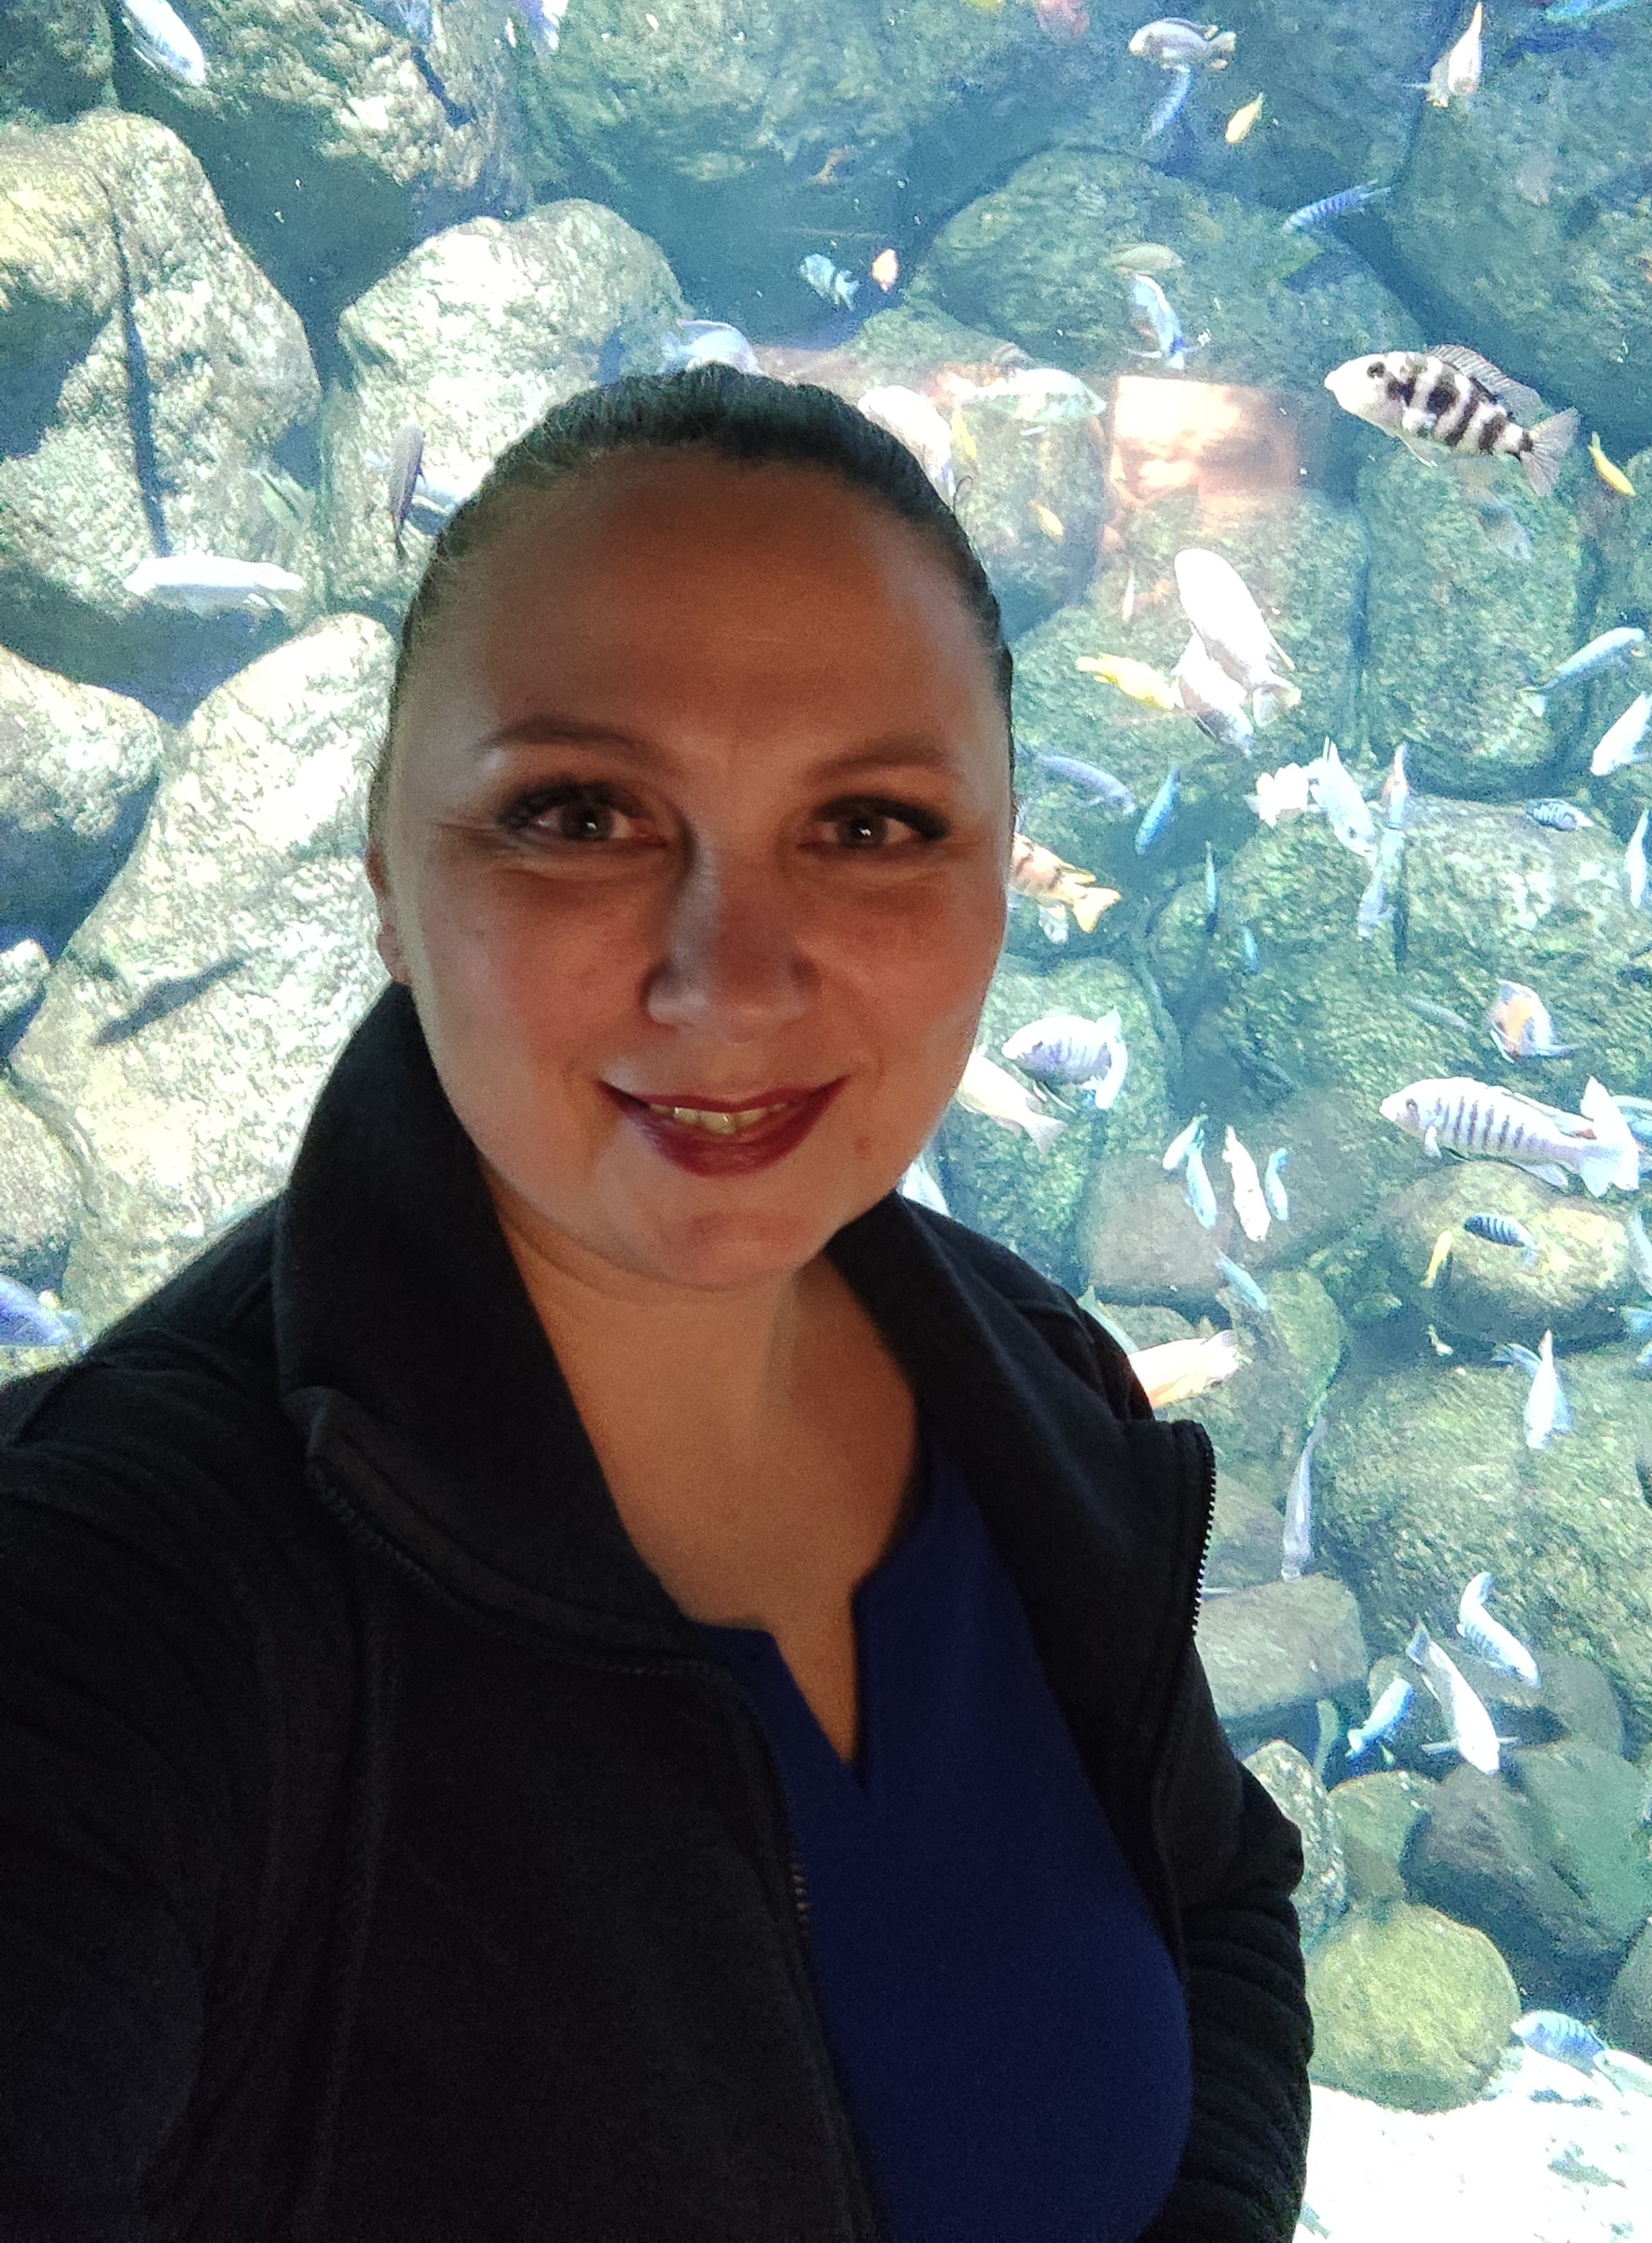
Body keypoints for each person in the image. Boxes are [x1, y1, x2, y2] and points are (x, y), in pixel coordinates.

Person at [0, 367, 1312, 2240]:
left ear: (1004, 872)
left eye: (870, 824)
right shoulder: (115, 1596)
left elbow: (1224, 1892)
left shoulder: (1034, 1387)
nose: (731, 976)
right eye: (581, 809)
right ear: (385, 875)